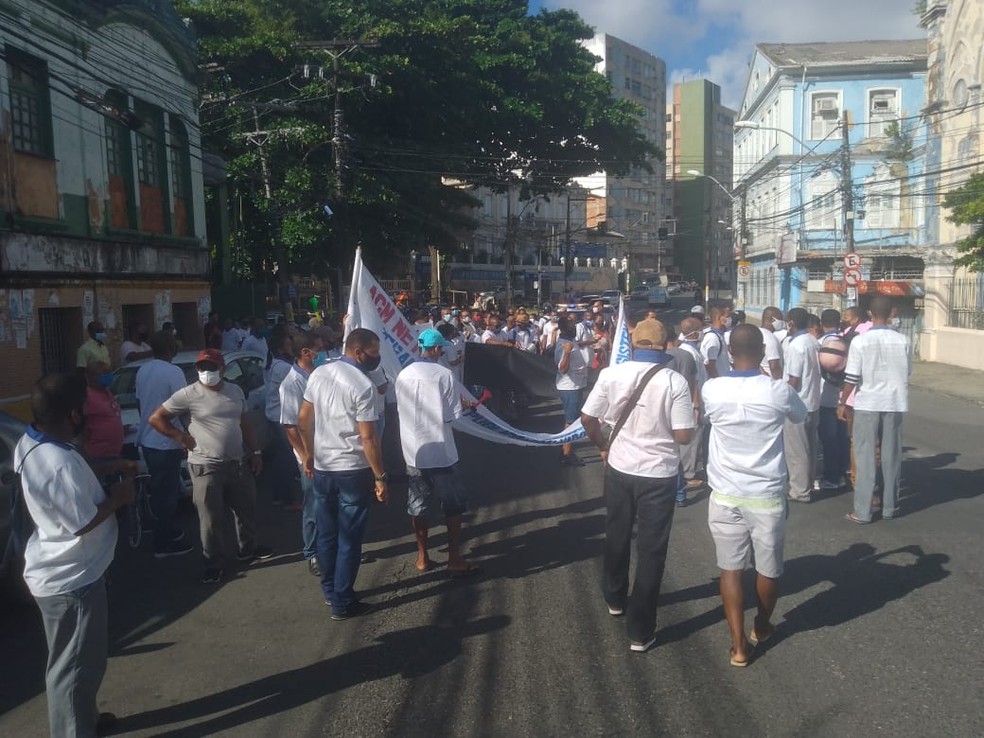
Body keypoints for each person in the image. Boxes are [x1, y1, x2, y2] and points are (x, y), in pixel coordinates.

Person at [15, 373, 135, 737]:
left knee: (80, 661)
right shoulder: (57, 463)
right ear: (72, 415)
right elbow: (80, 521)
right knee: (74, 667)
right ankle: (73, 730)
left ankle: (84, 718)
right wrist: (119, 498)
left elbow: (72, 477)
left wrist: (107, 467)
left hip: (66, 572)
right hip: (71, 579)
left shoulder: (33, 441)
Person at [580, 319, 695, 653]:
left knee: (616, 534)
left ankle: (615, 598)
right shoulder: (674, 380)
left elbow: (588, 418)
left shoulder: (611, 374)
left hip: (619, 466)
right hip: (658, 474)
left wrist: (603, 445)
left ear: (633, 342)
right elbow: (684, 436)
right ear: (664, 345)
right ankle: (640, 632)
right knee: (651, 550)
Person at [702, 324, 808, 666]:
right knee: (768, 570)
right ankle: (760, 627)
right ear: (763, 352)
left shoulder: (713, 389)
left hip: (725, 493)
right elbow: (800, 415)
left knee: (730, 570)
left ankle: (737, 647)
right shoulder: (778, 391)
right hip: (766, 495)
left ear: (728, 352)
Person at [149, 349, 272, 584]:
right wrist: (180, 438)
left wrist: (255, 452)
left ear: (222, 369)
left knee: (246, 508)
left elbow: (244, 423)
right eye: (202, 368)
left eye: (212, 367)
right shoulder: (187, 394)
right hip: (206, 466)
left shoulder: (235, 391)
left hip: (237, 463)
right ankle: (213, 561)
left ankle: (248, 548)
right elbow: (156, 418)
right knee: (210, 518)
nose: (207, 372)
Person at [297, 328, 388, 620]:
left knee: (327, 534)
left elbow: (303, 419)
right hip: (352, 470)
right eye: (374, 353)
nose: (377, 359)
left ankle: (329, 591)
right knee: (349, 537)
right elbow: (369, 439)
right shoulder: (363, 385)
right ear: (358, 352)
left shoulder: (319, 374)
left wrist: (308, 454)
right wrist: (380, 476)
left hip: (323, 467)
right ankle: (342, 600)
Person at [396, 329, 481, 576]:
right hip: (442, 452)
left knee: (418, 506)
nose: (442, 351)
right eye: (440, 348)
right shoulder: (444, 374)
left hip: (414, 451)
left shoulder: (403, 374)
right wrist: (463, 404)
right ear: (435, 349)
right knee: (452, 507)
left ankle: (422, 557)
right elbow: (452, 415)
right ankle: (454, 558)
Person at [838, 296, 910, 523]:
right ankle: (890, 507)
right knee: (891, 456)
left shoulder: (860, 341)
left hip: (867, 403)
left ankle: (863, 511)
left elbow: (851, 377)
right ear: (892, 313)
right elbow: (907, 372)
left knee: (865, 455)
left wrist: (842, 401)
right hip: (895, 402)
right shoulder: (904, 341)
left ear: (869, 314)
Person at [135, 331, 195, 558]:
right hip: (165, 442)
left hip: (149, 440)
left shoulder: (143, 370)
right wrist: (188, 434)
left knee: (163, 491)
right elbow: (181, 407)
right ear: (171, 348)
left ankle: (168, 530)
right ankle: (163, 543)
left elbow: (141, 404)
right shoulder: (173, 371)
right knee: (166, 495)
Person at [279, 331, 325, 576]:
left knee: (331, 503)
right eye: (317, 348)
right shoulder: (291, 384)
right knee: (313, 505)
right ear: (305, 352)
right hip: (310, 457)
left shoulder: (317, 376)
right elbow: (289, 426)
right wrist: (306, 456)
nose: (321, 353)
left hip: (328, 451)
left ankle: (332, 547)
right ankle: (312, 552)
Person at [783, 308, 822, 503]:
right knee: (809, 448)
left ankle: (799, 491)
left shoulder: (796, 345)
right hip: (813, 401)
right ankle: (807, 484)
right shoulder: (813, 341)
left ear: (791, 323)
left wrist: (782, 399)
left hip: (798, 403)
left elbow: (794, 379)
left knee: (796, 451)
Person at [264, 325, 300, 508]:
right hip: (281, 417)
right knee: (287, 457)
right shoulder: (284, 368)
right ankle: (288, 498)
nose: (291, 347)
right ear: (280, 349)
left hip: (274, 415)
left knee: (280, 457)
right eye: (288, 345)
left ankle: (280, 495)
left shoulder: (276, 364)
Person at [817, 309, 851, 491]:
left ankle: (831, 477)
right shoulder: (847, 341)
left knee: (829, 441)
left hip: (826, 398)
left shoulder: (822, 343)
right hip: (845, 398)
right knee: (842, 438)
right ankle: (845, 472)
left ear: (822, 323)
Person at [555, 315, 588, 466]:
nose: (574, 328)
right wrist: (567, 352)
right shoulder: (563, 344)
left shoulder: (570, 339)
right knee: (571, 421)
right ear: (564, 328)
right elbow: (562, 368)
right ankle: (566, 454)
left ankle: (567, 451)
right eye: (571, 326)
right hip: (570, 387)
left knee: (573, 419)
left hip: (576, 385)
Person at [82, 360, 124, 475]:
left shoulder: (107, 392)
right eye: (102, 373)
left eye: (108, 372)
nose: (106, 376)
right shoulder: (87, 396)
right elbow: (80, 424)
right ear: (89, 376)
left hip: (114, 454)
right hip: (98, 457)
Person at [759, 307, 785, 379]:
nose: (783, 323)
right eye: (780, 320)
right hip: (770, 382)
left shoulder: (756, 333)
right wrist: (779, 383)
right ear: (772, 319)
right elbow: (774, 366)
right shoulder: (771, 339)